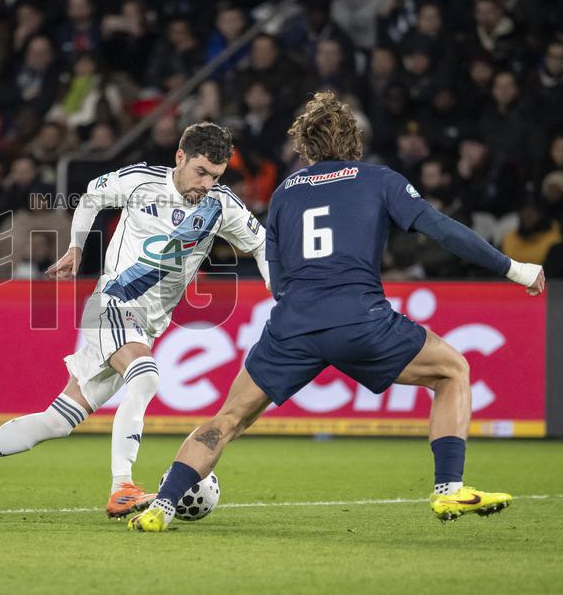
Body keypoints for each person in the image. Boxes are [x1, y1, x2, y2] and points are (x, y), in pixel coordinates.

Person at [129, 92, 545, 532]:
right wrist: (513, 268)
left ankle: (163, 506)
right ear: (355, 140)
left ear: (305, 146)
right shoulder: (378, 179)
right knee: (452, 371)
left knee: (227, 421)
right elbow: (440, 229)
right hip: (360, 318)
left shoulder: (286, 192)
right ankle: (448, 489)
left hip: (292, 326)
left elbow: (277, 269)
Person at [0, 122, 270, 517]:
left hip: (146, 324)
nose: (206, 184)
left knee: (57, 421)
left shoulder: (221, 205)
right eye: (201, 172)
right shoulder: (141, 182)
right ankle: (122, 486)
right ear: (180, 157)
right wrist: (76, 247)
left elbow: (264, 246)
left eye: (215, 177)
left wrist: (278, 290)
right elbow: (93, 196)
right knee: (146, 376)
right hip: (113, 304)